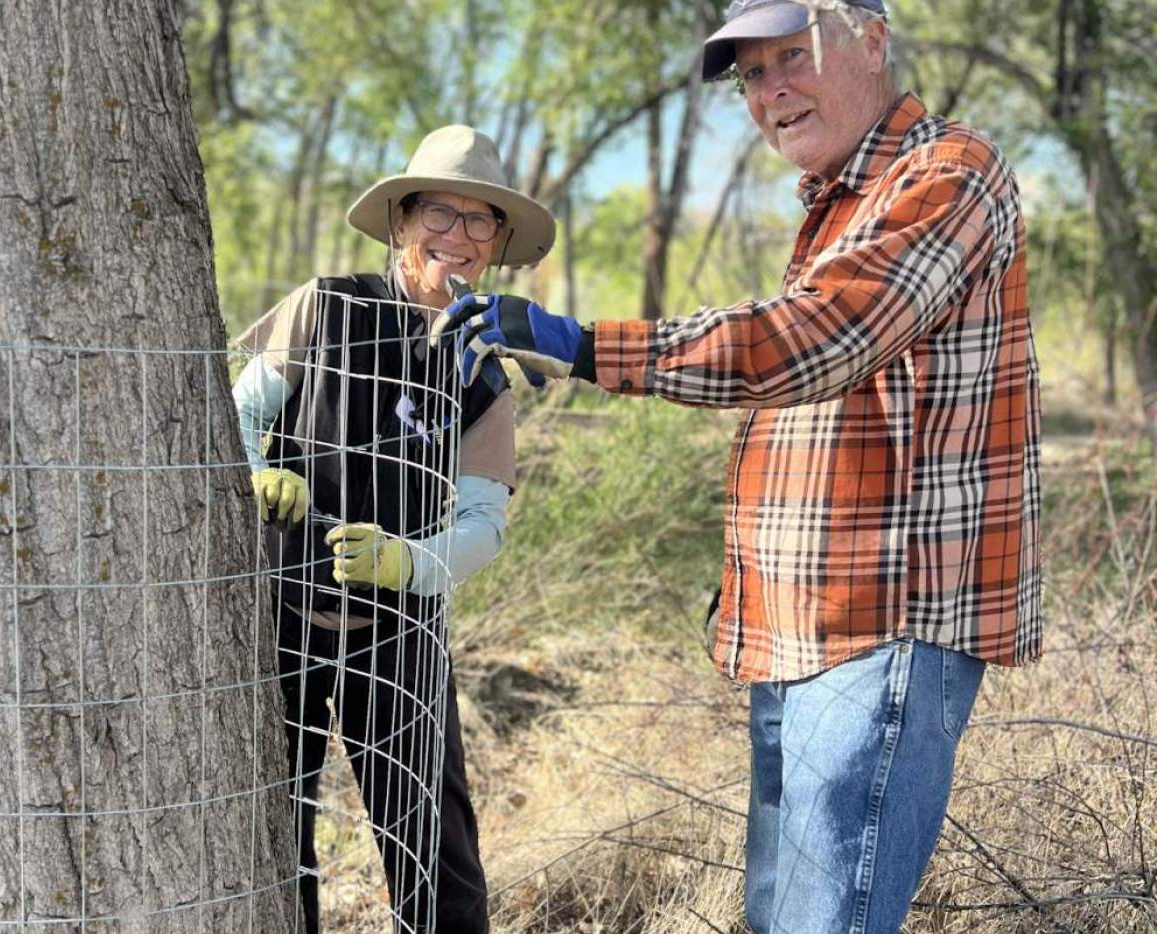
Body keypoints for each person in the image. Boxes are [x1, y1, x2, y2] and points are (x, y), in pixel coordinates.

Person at [439, 2, 1042, 932]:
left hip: (881, 629)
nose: (772, 92)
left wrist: (584, 344)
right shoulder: (841, 201)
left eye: (791, 57)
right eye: (752, 76)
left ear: (870, 41)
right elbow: (829, 417)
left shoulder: (948, 174)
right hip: (799, 626)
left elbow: (818, 342)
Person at [232, 125, 556, 934]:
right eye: (440, 214)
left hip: (400, 631)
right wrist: (250, 480)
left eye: (480, 221)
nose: (457, 236)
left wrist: (406, 562)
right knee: (272, 833)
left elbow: (483, 526)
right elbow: (233, 418)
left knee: (434, 846)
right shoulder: (325, 305)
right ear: (403, 220)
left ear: (497, 244)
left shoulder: (484, 372)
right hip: (277, 615)